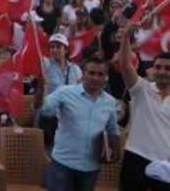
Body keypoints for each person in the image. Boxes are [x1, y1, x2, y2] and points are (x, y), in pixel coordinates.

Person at [37, 57, 121, 191]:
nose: (95, 77)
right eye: (91, 73)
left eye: (100, 74)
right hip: (63, 165)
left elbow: (112, 129)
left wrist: (116, 149)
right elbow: (43, 109)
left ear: (106, 77)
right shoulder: (65, 92)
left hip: (91, 168)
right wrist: (40, 91)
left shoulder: (110, 102)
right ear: (83, 74)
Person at [117, 25, 170, 191]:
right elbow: (125, 66)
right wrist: (125, 38)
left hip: (165, 164)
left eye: (168, 68)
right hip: (135, 158)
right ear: (152, 69)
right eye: (158, 67)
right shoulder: (142, 89)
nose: (162, 71)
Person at [39, 33, 84, 147]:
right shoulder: (45, 65)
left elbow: (81, 92)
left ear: (66, 49)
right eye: (52, 47)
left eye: (58, 46)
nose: (54, 50)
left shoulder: (75, 69)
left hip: (69, 117)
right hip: (50, 116)